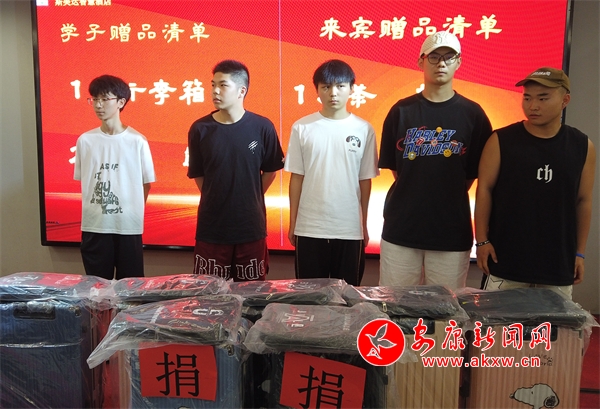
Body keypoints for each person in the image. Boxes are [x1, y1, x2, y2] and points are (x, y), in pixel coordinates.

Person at [378, 31, 492, 289]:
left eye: (449, 57)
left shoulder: (473, 114)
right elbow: (399, 171)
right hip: (401, 228)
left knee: (446, 306)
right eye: (434, 57)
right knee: (395, 304)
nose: (441, 63)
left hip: (450, 230)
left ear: (458, 62)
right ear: (421, 62)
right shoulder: (401, 111)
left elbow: (472, 174)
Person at [475, 67, 596, 299]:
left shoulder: (582, 146)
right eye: (527, 98)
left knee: (553, 323)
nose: (533, 106)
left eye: (543, 98)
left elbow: (583, 201)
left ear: (565, 100)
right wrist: (482, 241)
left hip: (557, 263)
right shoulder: (501, 140)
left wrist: (579, 253)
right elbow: (484, 190)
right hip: (505, 260)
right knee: (498, 321)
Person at [187, 60, 284, 281]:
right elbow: (199, 174)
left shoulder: (262, 127)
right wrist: (217, 195)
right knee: (209, 293)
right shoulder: (200, 129)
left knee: (251, 293)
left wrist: (248, 195)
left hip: (250, 226)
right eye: (213, 85)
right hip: (212, 228)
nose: (215, 91)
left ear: (242, 90)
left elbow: (270, 171)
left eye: (223, 85)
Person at [284, 59, 379, 286]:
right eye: (326, 87)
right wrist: (293, 222)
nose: (333, 93)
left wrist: (363, 224)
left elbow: (365, 181)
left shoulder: (364, 129)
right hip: (310, 227)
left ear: (352, 89)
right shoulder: (302, 127)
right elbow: (296, 178)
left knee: (347, 296)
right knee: (310, 296)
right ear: (317, 90)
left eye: (340, 86)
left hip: (349, 229)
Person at [74, 74, 155, 280]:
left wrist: (131, 211)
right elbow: (85, 180)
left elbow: (146, 184)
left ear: (121, 102)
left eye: (104, 99)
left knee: (130, 287)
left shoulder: (137, 141)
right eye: (94, 99)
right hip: (94, 225)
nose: (98, 105)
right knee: (97, 288)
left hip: (128, 227)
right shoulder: (85, 140)